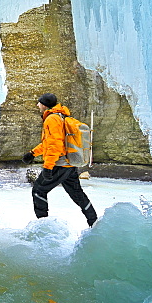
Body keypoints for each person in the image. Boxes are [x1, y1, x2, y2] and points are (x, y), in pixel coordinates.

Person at [21, 93, 98, 227]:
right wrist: (33, 153)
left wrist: (48, 167)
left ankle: (42, 227)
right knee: (77, 194)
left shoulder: (51, 119)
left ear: (44, 105)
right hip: (68, 164)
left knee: (39, 190)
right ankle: (94, 222)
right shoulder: (61, 116)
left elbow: (55, 145)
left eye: (39, 103)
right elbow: (49, 143)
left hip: (59, 164)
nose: (37, 105)